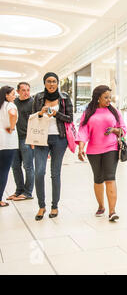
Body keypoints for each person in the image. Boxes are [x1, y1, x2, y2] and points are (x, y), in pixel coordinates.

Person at [76, 85, 126, 222]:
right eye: (106, 97)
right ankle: (101, 206)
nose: (109, 100)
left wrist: (114, 131)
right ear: (98, 98)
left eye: (110, 97)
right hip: (93, 150)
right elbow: (83, 131)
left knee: (110, 177)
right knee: (98, 179)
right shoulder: (88, 112)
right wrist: (81, 147)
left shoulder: (114, 112)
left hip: (111, 148)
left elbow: (123, 129)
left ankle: (112, 211)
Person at [32, 72, 73, 221]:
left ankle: (54, 206)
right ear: (44, 83)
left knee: (55, 174)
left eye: (54, 81)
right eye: (48, 81)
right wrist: (41, 114)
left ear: (58, 83)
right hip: (40, 138)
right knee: (39, 172)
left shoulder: (64, 98)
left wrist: (56, 114)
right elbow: (32, 118)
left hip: (59, 138)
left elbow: (70, 118)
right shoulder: (37, 97)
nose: (51, 84)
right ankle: (41, 206)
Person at [8, 82, 34, 201]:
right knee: (15, 166)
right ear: (18, 91)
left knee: (28, 166)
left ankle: (28, 192)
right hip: (14, 138)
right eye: (23, 90)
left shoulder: (33, 103)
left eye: (28, 90)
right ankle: (19, 190)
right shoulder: (13, 103)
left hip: (27, 139)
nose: (26, 92)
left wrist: (34, 139)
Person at [0, 86, 18, 207]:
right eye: (12, 94)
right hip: (7, 142)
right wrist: (12, 127)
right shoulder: (10, 105)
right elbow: (12, 114)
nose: (14, 96)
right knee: (3, 171)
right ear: (6, 95)